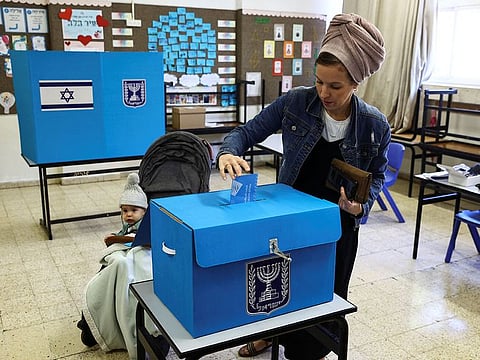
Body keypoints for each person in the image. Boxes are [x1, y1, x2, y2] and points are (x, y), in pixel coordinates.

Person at [217, 13, 390, 360]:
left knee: (324, 299)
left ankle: (306, 350)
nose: (323, 92)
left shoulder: (374, 124)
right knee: (276, 289)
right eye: (319, 82)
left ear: (357, 83)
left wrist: (361, 205)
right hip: (289, 221)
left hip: (336, 228)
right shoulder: (296, 102)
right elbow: (245, 133)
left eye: (335, 86)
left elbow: (378, 177)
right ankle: (269, 335)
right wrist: (227, 154)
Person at [77, 173, 169, 359]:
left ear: (144, 211)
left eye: (134, 210)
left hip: (142, 255)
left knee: (135, 267)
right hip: (124, 255)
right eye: (124, 210)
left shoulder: (150, 227)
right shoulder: (125, 228)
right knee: (117, 264)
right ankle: (94, 318)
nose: (128, 214)